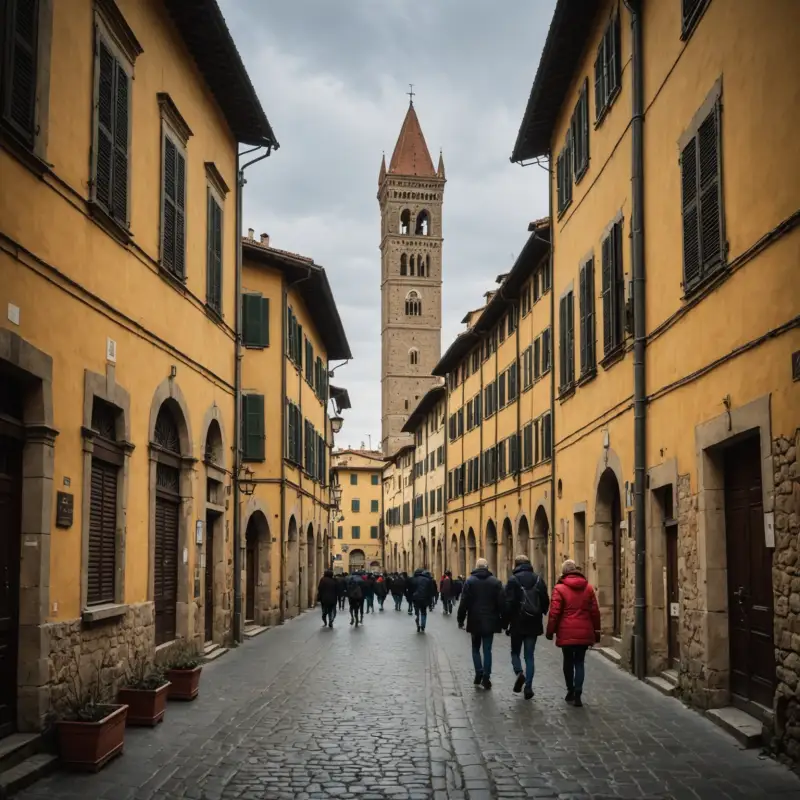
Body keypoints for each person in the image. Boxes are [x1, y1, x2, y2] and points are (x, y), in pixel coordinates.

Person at [546, 559, 601, 707]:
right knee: (580, 662)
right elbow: (595, 612)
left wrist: (550, 631)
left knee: (568, 661)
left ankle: (570, 690)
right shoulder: (588, 588)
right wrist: (596, 630)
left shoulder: (559, 588)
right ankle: (578, 693)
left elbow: (554, 612)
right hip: (584, 630)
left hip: (566, 631)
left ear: (564, 572)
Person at [504, 555, 550, 699]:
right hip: (533, 622)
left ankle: (519, 673)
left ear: (516, 564)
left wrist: (505, 623)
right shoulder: (538, 579)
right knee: (529, 656)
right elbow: (545, 600)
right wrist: (541, 612)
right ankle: (528, 687)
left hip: (517, 623)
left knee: (515, 653)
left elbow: (508, 604)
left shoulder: (513, 580)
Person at [457, 558, 505, 689]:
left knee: (475, 648)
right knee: (487, 649)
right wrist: (503, 620)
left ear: (476, 567)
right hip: (491, 620)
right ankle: (486, 676)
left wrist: (460, 619)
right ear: (487, 567)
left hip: (475, 620)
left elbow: (464, 602)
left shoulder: (470, 581)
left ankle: (479, 671)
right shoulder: (495, 582)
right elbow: (502, 603)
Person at [410, 568, 435, 632]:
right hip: (424, 599)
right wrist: (430, 601)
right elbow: (431, 591)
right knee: (423, 612)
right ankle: (423, 626)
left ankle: (417, 617)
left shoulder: (416, 579)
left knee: (417, 610)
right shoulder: (428, 580)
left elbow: (412, 588)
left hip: (416, 598)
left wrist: (412, 597)